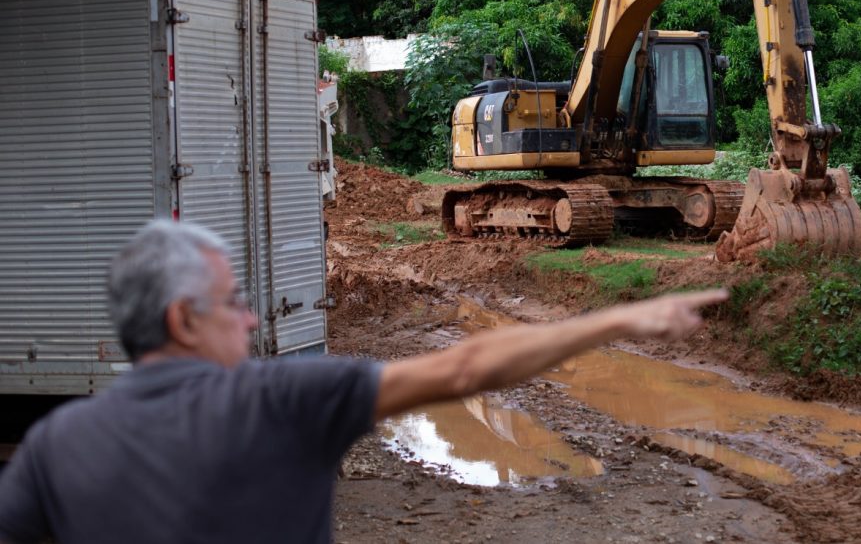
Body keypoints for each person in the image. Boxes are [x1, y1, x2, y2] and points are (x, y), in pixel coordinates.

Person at [0, 219, 726, 544]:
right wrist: (616, 321)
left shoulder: (55, 444)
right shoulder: (284, 400)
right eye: (234, 304)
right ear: (184, 319)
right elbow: (467, 367)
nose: (251, 323)